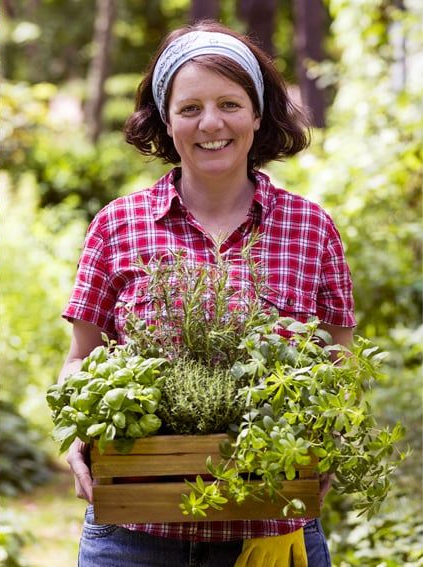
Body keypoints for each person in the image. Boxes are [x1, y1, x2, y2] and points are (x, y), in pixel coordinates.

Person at [60, 20, 356, 567]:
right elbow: (81, 357)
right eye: (190, 108)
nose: (211, 123)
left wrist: (334, 436)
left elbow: (339, 361)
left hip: (270, 526)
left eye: (229, 104)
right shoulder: (117, 225)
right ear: (165, 121)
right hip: (134, 534)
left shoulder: (311, 228)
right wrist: (77, 431)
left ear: (258, 113)